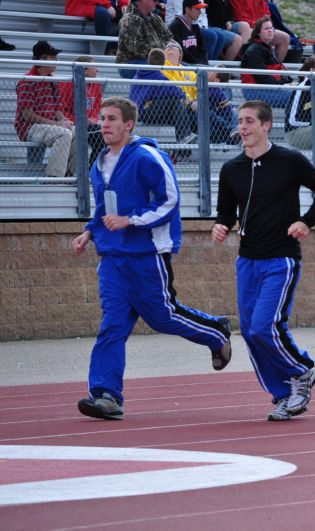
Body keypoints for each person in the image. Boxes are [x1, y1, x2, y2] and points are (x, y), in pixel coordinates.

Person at [72, 96, 233, 420]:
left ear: (128, 124)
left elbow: (169, 201)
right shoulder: (99, 162)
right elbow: (105, 207)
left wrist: (131, 220)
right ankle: (106, 395)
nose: (104, 124)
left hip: (147, 253)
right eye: (102, 118)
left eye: (112, 119)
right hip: (113, 257)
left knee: (162, 317)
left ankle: (216, 333)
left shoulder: (148, 157)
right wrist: (89, 231)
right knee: (112, 326)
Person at [212, 100, 315, 421]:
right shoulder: (231, 169)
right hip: (247, 260)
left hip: (281, 258)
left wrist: (306, 221)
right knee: (251, 332)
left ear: (266, 125)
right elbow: (226, 211)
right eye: (240, 121)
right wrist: (220, 225)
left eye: (250, 121)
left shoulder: (289, 160)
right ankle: (284, 394)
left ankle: (302, 371)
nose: (243, 127)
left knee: (266, 327)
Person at [14, 40, 76, 178]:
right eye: (52, 57)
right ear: (41, 59)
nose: (57, 60)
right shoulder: (28, 80)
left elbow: (58, 109)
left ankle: (72, 175)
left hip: (49, 125)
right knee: (64, 133)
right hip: (29, 126)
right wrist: (56, 124)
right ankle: (54, 178)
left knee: (77, 132)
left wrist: (63, 120)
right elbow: (27, 115)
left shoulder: (52, 80)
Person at [161, 41, 233, 144]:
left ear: (180, 54)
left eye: (173, 46)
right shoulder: (161, 68)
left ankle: (226, 136)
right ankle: (229, 132)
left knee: (205, 111)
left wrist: (195, 100)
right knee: (202, 115)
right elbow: (172, 88)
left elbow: (198, 87)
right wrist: (191, 101)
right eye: (167, 46)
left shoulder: (188, 72)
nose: (169, 47)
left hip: (192, 106)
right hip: (175, 107)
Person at [128, 47, 198, 146]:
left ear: (149, 60)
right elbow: (175, 91)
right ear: (163, 62)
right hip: (146, 113)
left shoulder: (138, 74)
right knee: (176, 100)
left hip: (141, 112)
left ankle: (184, 146)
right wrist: (190, 103)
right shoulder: (157, 76)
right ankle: (185, 137)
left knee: (179, 109)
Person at [60, 56, 105, 167]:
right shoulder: (67, 84)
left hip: (89, 124)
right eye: (94, 67)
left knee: (103, 135)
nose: (97, 70)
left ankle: (92, 169)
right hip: (72, 124)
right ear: (84, 70)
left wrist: (92, 119)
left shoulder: (96, 83)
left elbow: (97, 106)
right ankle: (85, 171)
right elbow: (62, 110)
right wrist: (81, 120)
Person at [239, 16, 290, 108]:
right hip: (255, 91)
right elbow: (262, 77)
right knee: (298, 96)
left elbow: (278, 72)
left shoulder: (268, 48)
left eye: (271, 28)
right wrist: (281, 84)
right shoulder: (254, 50)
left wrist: (285, 81)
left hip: (268, 88)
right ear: (258, 33)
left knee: (301, 94)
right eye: (266, 29)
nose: (270, 31)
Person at [167, 0, 242, 62]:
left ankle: (211, 64)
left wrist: (204, 63)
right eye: (197, 9)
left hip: (195, 63)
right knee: (211, 36)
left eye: (200, 9)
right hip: (184, 64)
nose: (199, 12)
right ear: (187, 9)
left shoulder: (195, 27)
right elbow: (182, 53)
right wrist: (198, 63)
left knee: (219, 37)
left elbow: (202, 50)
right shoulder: (174, 27)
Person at [116, 0, 173, 79]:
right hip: (130, 64)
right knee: (164, 70)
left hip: (158, 59)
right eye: (154, 0)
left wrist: (172, 51)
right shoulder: (129, 19)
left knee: (186, 68)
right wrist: (164, 56)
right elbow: (138, 49)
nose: (156, 3)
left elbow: (169, 37)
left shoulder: (156, 18)